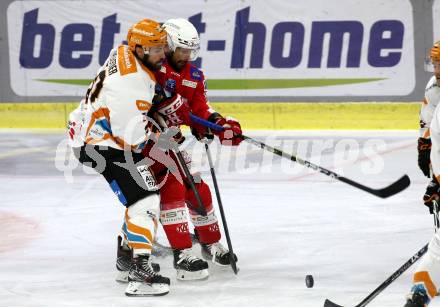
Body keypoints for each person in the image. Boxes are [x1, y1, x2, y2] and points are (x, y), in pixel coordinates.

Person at [117, 18, 243, 281]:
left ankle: (209, 243)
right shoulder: (151, 67)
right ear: (168, 45)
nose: (186, 56)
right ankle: (176, 253)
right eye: (182, 50)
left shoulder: (195, 76)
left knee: (197, 188)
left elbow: (201, 109)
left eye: (191, 51)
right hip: (143, 142)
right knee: (160, 193)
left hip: (170, 140)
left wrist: (218, 125)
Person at [67, 19, 171, 296]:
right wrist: (160, 130)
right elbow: (132, 138)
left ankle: (127, 257)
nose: (163, 53)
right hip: (103, 145)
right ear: (139, 49)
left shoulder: (123, 52)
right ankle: (139, 270)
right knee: (146, 198)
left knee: (140, 194)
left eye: (163, 46)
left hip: (91, 135)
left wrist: (152, 100)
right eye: (157, 48)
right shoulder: (131, 85)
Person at [405, 41, 440, 306]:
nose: (436, 68)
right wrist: (423, 144)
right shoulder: (434, 87)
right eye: (435, 63)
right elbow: (427, 121)